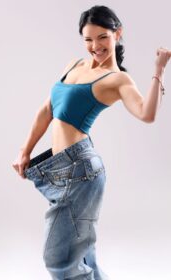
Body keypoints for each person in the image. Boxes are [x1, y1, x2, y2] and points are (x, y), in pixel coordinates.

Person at [12, 5, 170, 280]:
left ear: (117, 34)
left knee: (59, 258)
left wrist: (159, 70)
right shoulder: (73, 64)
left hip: (81, 170)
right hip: (58, 166)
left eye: (102, 37)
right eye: (88, 39)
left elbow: (147, 114)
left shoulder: (117, 79)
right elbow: (47, 110)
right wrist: (25, 151)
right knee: (83, 254)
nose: (95, 46)